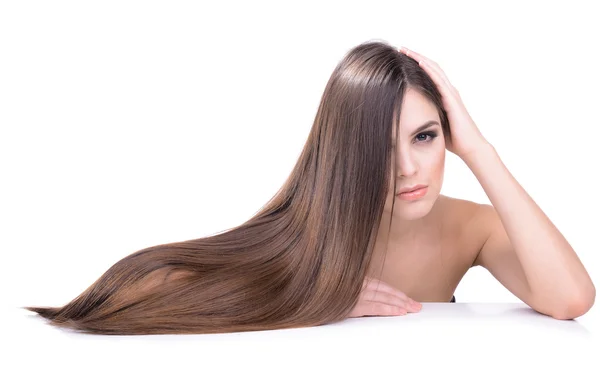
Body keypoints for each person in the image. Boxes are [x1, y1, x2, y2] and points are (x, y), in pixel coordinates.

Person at [23, 40, 595, 335]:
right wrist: (314, 301)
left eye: (425, 137)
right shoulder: (306, 225)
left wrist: (478, 148)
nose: (406, 169)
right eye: (378, 145)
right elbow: (127, 291)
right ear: (346, 150)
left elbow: (570, 300)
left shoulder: (473, 228)